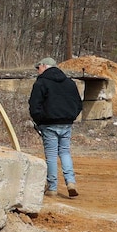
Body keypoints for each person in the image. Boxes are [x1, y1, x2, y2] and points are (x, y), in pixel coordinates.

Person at [29, 57, 83, 197]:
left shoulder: (41, 83)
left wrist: (39, 121)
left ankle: (52, 188)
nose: (37, 70)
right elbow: (78, 104)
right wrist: (70, 117)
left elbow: (34, 105)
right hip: (66, 123)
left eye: (38, 67)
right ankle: (70, 182)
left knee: (51, 155)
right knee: (65, 152)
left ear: (45, 66)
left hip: (49, 124)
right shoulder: (69, 83)